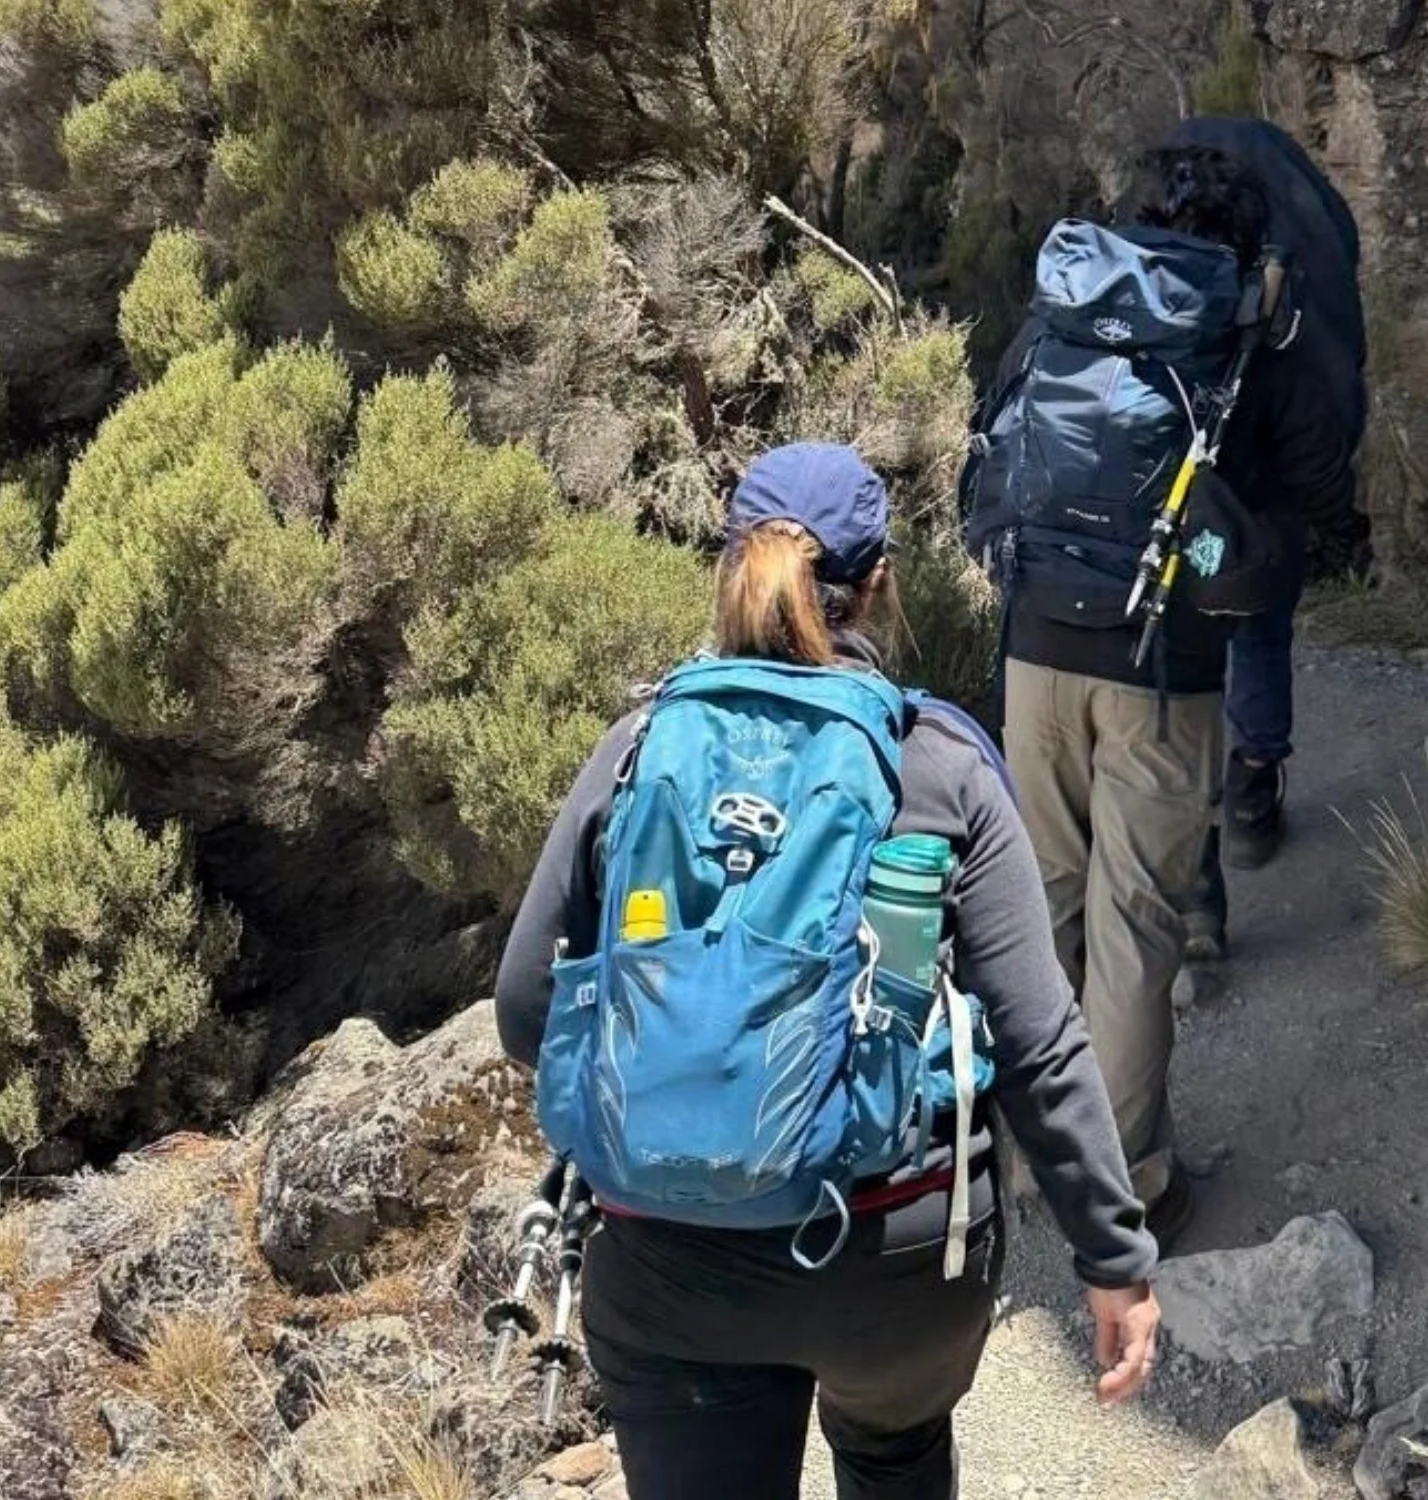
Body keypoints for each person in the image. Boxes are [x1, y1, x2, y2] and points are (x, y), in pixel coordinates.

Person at [494, 442, 1162, 1500]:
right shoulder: (937, 763)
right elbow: (1038, 1041)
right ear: (879, 585)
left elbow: (526, 1012)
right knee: (893, 1453)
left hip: (669, 1265)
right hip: (895, 1265)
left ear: (730, 571)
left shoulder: (637, 748)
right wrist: (1112, 1258)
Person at [964, 141, 1359, 1243]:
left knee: (1040, 903)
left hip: (1032, 647)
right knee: (1136, 919)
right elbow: (1323, 479)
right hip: (1159, 667)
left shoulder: (1067, 308)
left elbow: (990, 433)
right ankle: (1124, 1182)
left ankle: (1024, 1152)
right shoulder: (1240, 330)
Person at [1156, 119, 1368, 964]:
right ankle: (1250, 790)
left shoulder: (1130, 288)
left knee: (1170, 675)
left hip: (1157, 502)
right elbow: (1324, 453)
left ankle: (1195, 881)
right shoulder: (1292, 271)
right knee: (1261, 621)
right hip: (1260, 499)